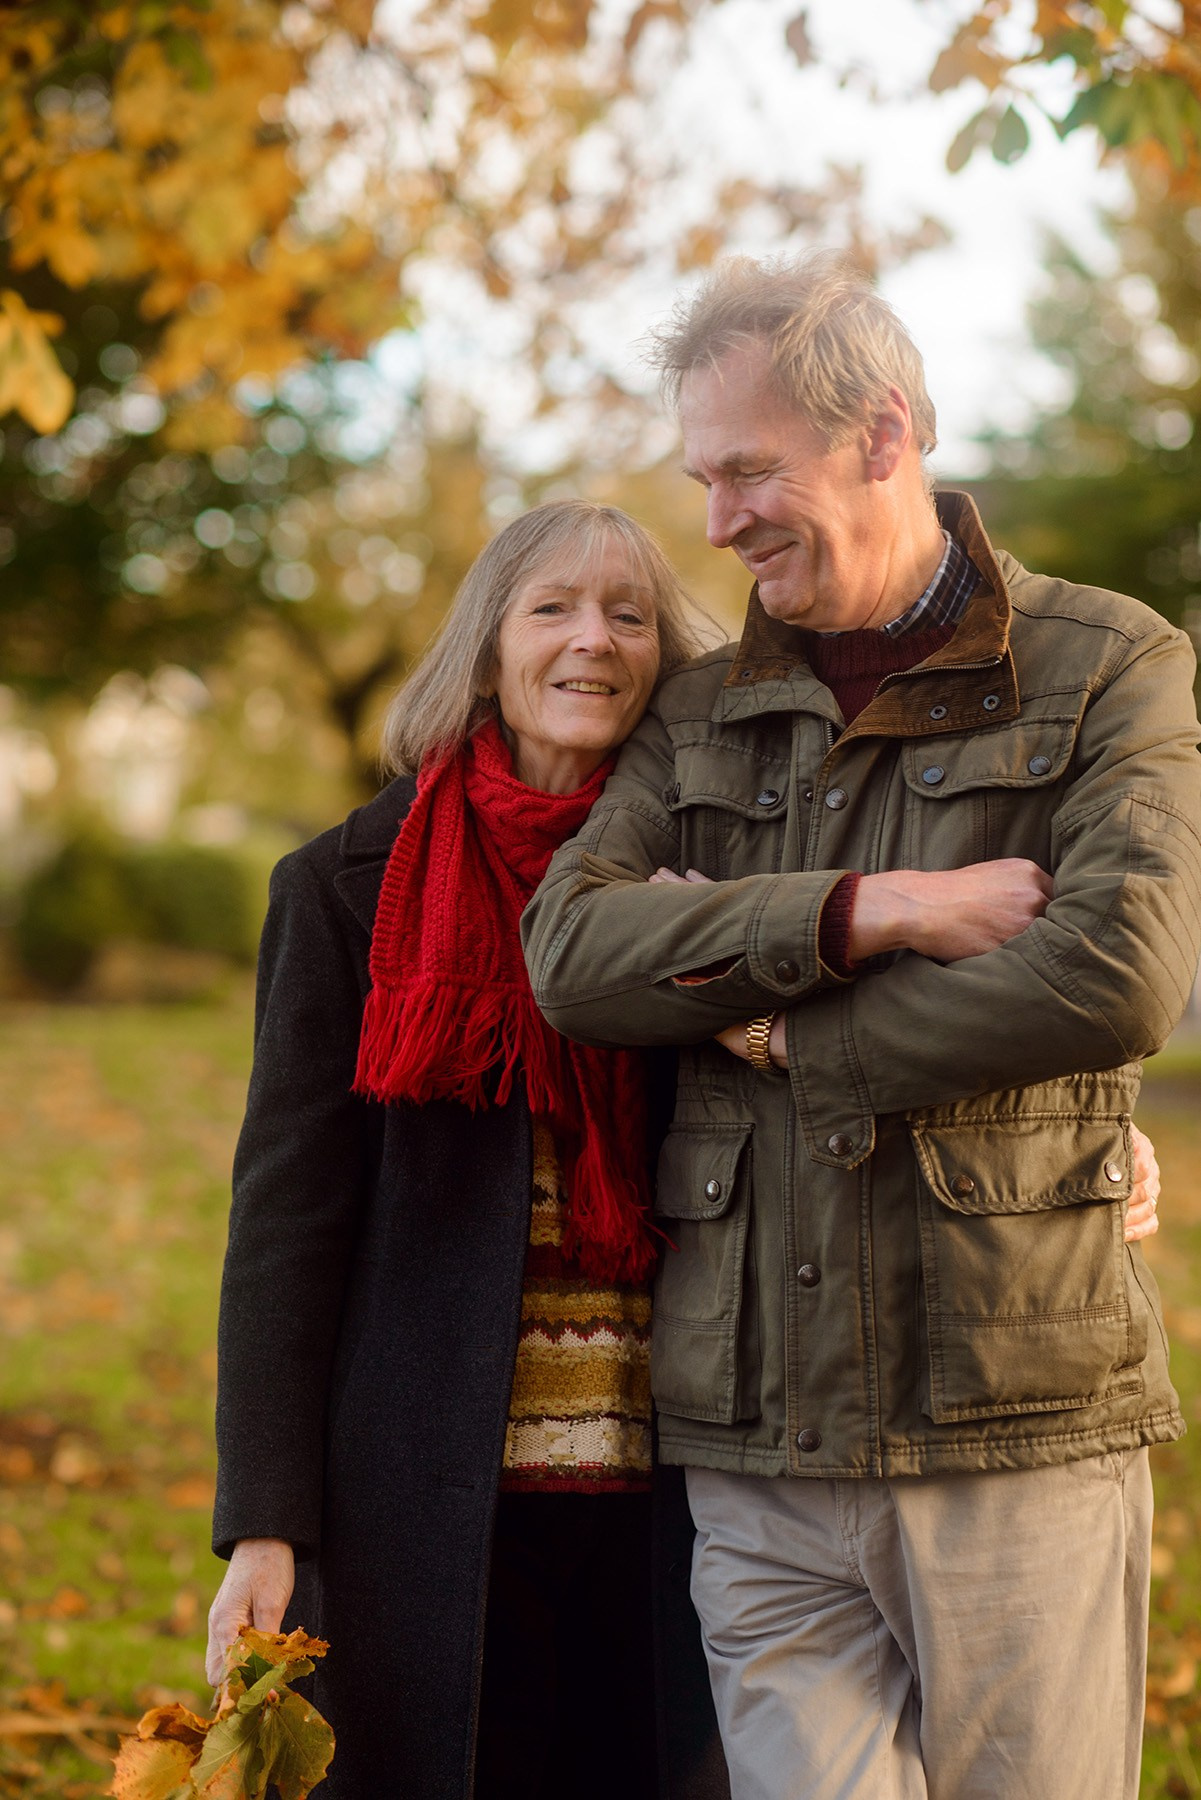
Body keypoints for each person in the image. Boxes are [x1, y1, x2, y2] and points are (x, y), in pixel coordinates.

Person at [522, 252, 1201, 1800]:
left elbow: (1118, 971)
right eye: (702, 478)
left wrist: (775, 1037)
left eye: (748, 470)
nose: (717, 522)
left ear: (881, 433)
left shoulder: (1107, 664)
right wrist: (860, 912)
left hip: (1010, 1414)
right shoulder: (697, 708)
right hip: (756, 1439)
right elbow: (571, 953)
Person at [205, 500, 731, 1800]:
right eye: (554, 608)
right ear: (489, 648)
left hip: (681, 1486)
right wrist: (265, 1525)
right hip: (419, 1497)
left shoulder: (713, 878)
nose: (593, 640)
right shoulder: (343, 887)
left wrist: (1094, 1134)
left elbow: (848, 1053)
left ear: (663, 659)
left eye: (629, 614)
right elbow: (285, 1223)